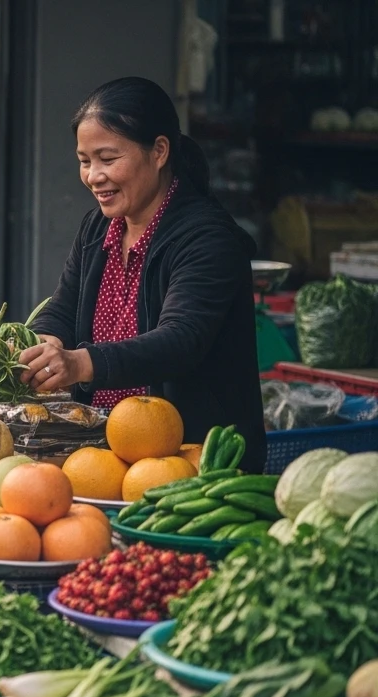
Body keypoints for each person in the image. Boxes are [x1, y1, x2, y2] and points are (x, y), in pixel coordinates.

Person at [24, 77, 265, 471]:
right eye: (85, 161)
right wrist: (43, 343)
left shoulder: (208, 238)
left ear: (159, 151)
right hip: (105, 455)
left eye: (108, 158)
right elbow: (63, 310)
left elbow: (180, 340)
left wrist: (80, 363)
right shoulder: (97, 228)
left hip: (194, 461)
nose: (93, 176)